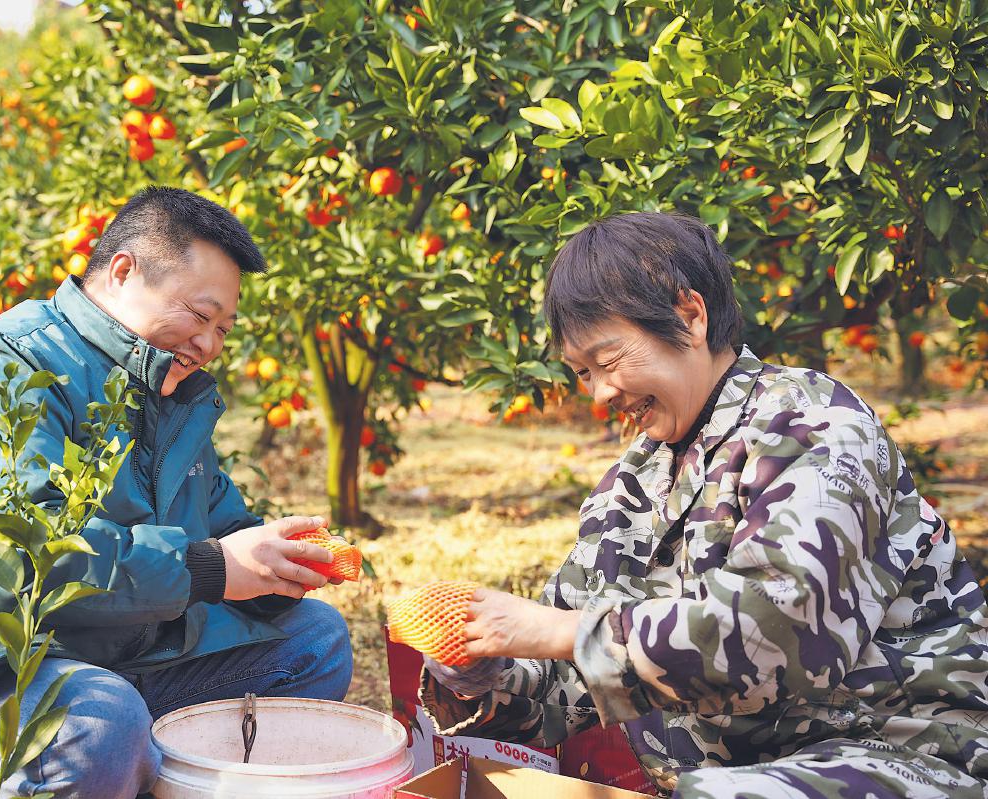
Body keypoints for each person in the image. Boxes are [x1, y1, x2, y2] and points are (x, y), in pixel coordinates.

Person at [420, 212, 988, 798]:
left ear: (690, 316)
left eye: (608, 361)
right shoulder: (633, 484)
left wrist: (560, 631)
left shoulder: (813, 425)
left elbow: (778, 637)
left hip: (901, 754)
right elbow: (571, 672)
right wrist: (484, 673)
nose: (600, 393)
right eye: (583, 373)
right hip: (730, 780)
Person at [0, 187, 353, 799]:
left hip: (107, 668)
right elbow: (13, 562)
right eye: (200, 316)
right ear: (123, 272)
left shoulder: (165, 397)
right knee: (98, 725)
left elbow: (221, 528)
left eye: (222, 330)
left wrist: (277, 568)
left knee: (313, 641)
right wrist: (212, 568)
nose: (209, 345)